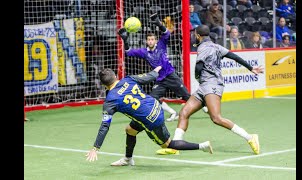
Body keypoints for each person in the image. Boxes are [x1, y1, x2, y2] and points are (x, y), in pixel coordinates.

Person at [85, 66, 213, 165]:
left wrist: (96, 148)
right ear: (116, 76)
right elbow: (149, 77)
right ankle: (128, 159)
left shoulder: (110, 101)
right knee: (130, 130)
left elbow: (104, 126)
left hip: (152, 119)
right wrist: (156, 71)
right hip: (156, 106)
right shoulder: (128, 79)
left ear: (104, 85)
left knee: (167, 145)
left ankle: (202, 146)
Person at [171, 25, 263, 155]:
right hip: (205, 86)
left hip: (212, 85)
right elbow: (234, 56)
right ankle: (176, 144)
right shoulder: (217, 46)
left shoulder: (203, 47)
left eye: (194, 35)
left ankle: (250, 137)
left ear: (198, 36)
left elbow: (199, 66)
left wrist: (197, 77)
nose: (193, 37)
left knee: (216, 118)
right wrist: (250, 68)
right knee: (183, 113)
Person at [118, 13, 208, 122]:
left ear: (155, 40)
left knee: (186, 96)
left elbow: (166, 33)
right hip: (160, 80)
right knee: (152, 99)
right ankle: (172, 112)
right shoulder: (144, 52)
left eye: (152, 39)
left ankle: (204, 107)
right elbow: (128, 52)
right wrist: (125, 40)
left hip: (171, 75)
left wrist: (159, 23)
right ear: (146, 41)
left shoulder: (161, 44)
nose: (151, 41)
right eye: (149, 40)